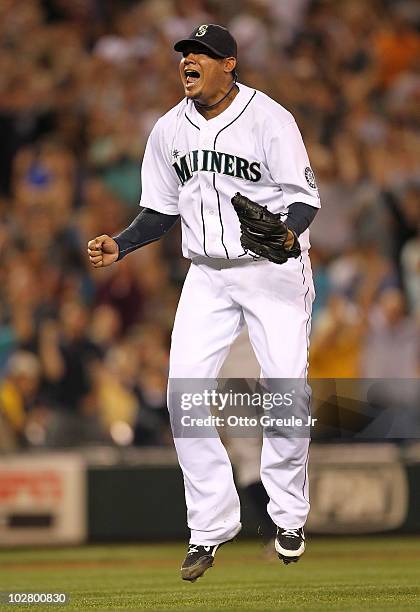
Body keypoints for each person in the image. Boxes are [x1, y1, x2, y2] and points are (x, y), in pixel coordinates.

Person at [87, 24, 320, 581]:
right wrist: (121, 243)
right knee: (181, 396)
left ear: (230, 64)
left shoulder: (270, 119)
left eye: (203, 54)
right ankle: (210, 527)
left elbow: (304, 199)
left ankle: (287, 516)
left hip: (273, 271)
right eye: (185, 54)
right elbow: (161, 211)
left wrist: (287, 235)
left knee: (286, 389)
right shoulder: (168, 129)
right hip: (208, 275)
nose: (189, 61)